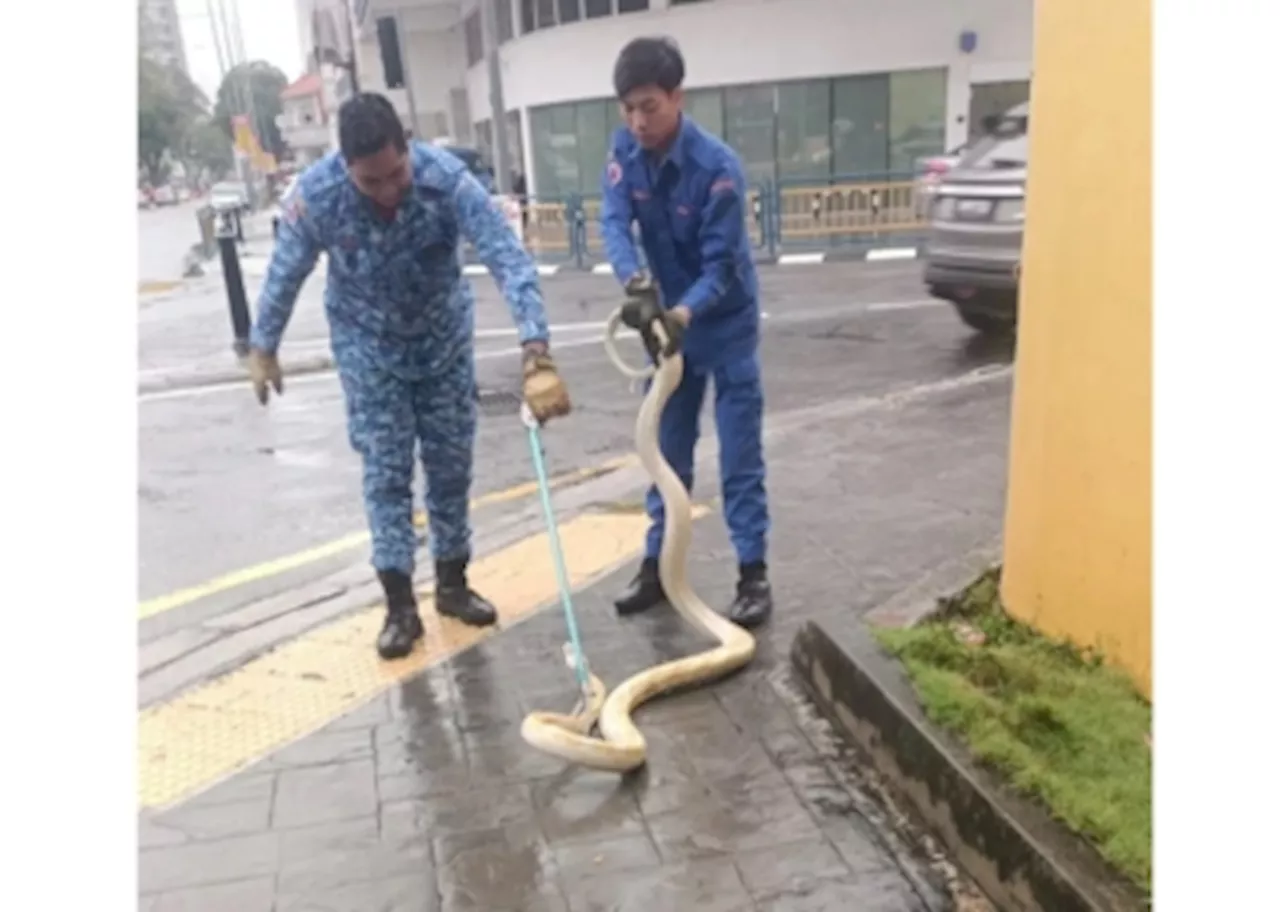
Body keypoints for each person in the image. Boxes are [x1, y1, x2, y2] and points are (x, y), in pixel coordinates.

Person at [247, 93, 572, 660]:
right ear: (347, 167)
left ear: (407, 147)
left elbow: (505, 254)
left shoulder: (445, 180)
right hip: (367, 346)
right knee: (386, 471)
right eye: (370, 182)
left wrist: (536, 347)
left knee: (450, 466)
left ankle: (452, 583)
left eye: (395, 173)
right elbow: (287, 267)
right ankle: (399, 605)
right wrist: (263, 344)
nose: (388, 191)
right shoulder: (319, 196)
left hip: (442, 340)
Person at [598, 37, 773, 629]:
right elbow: (614, 218)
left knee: (738, 454)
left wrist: (681, 315)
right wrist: (635, 283)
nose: (638, 121)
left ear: (677, 96)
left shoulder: (717, 168)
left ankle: (753, 575)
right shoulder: (625, 147)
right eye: (628, 108)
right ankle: (657, 567)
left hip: (722, 325)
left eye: (649, 106)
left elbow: (722, 266)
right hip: (668, 325)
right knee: (665, 449)